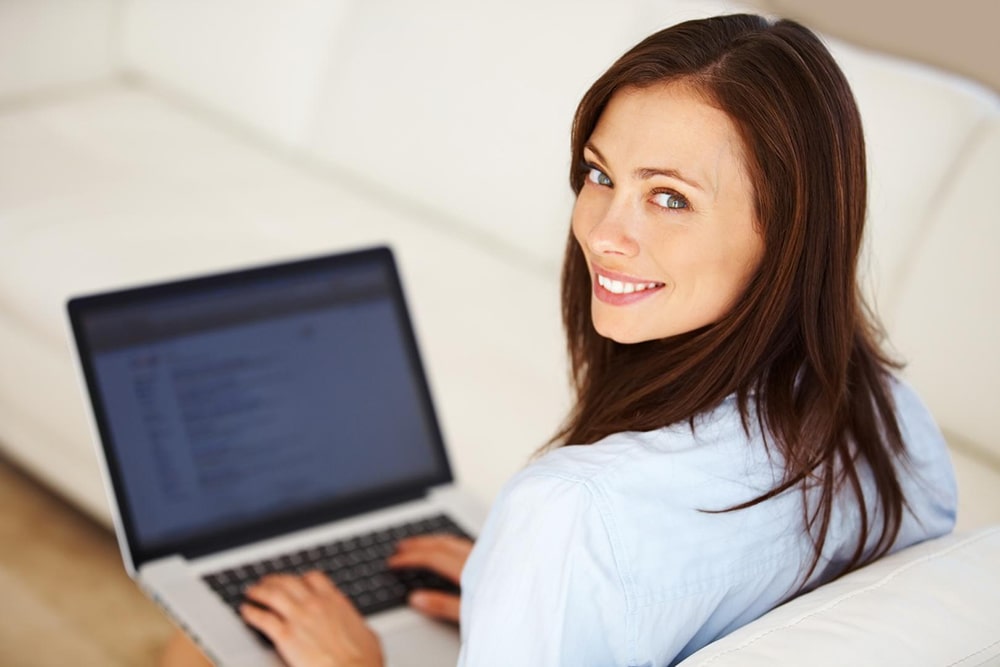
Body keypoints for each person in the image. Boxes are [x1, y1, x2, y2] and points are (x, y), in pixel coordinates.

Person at [161, 13, 957, 667]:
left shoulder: (571, 511)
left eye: (670, 198)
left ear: (785, 234)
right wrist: (524, 584)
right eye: (601, 174)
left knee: (196, 651)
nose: (605, 233)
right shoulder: (895, 423)